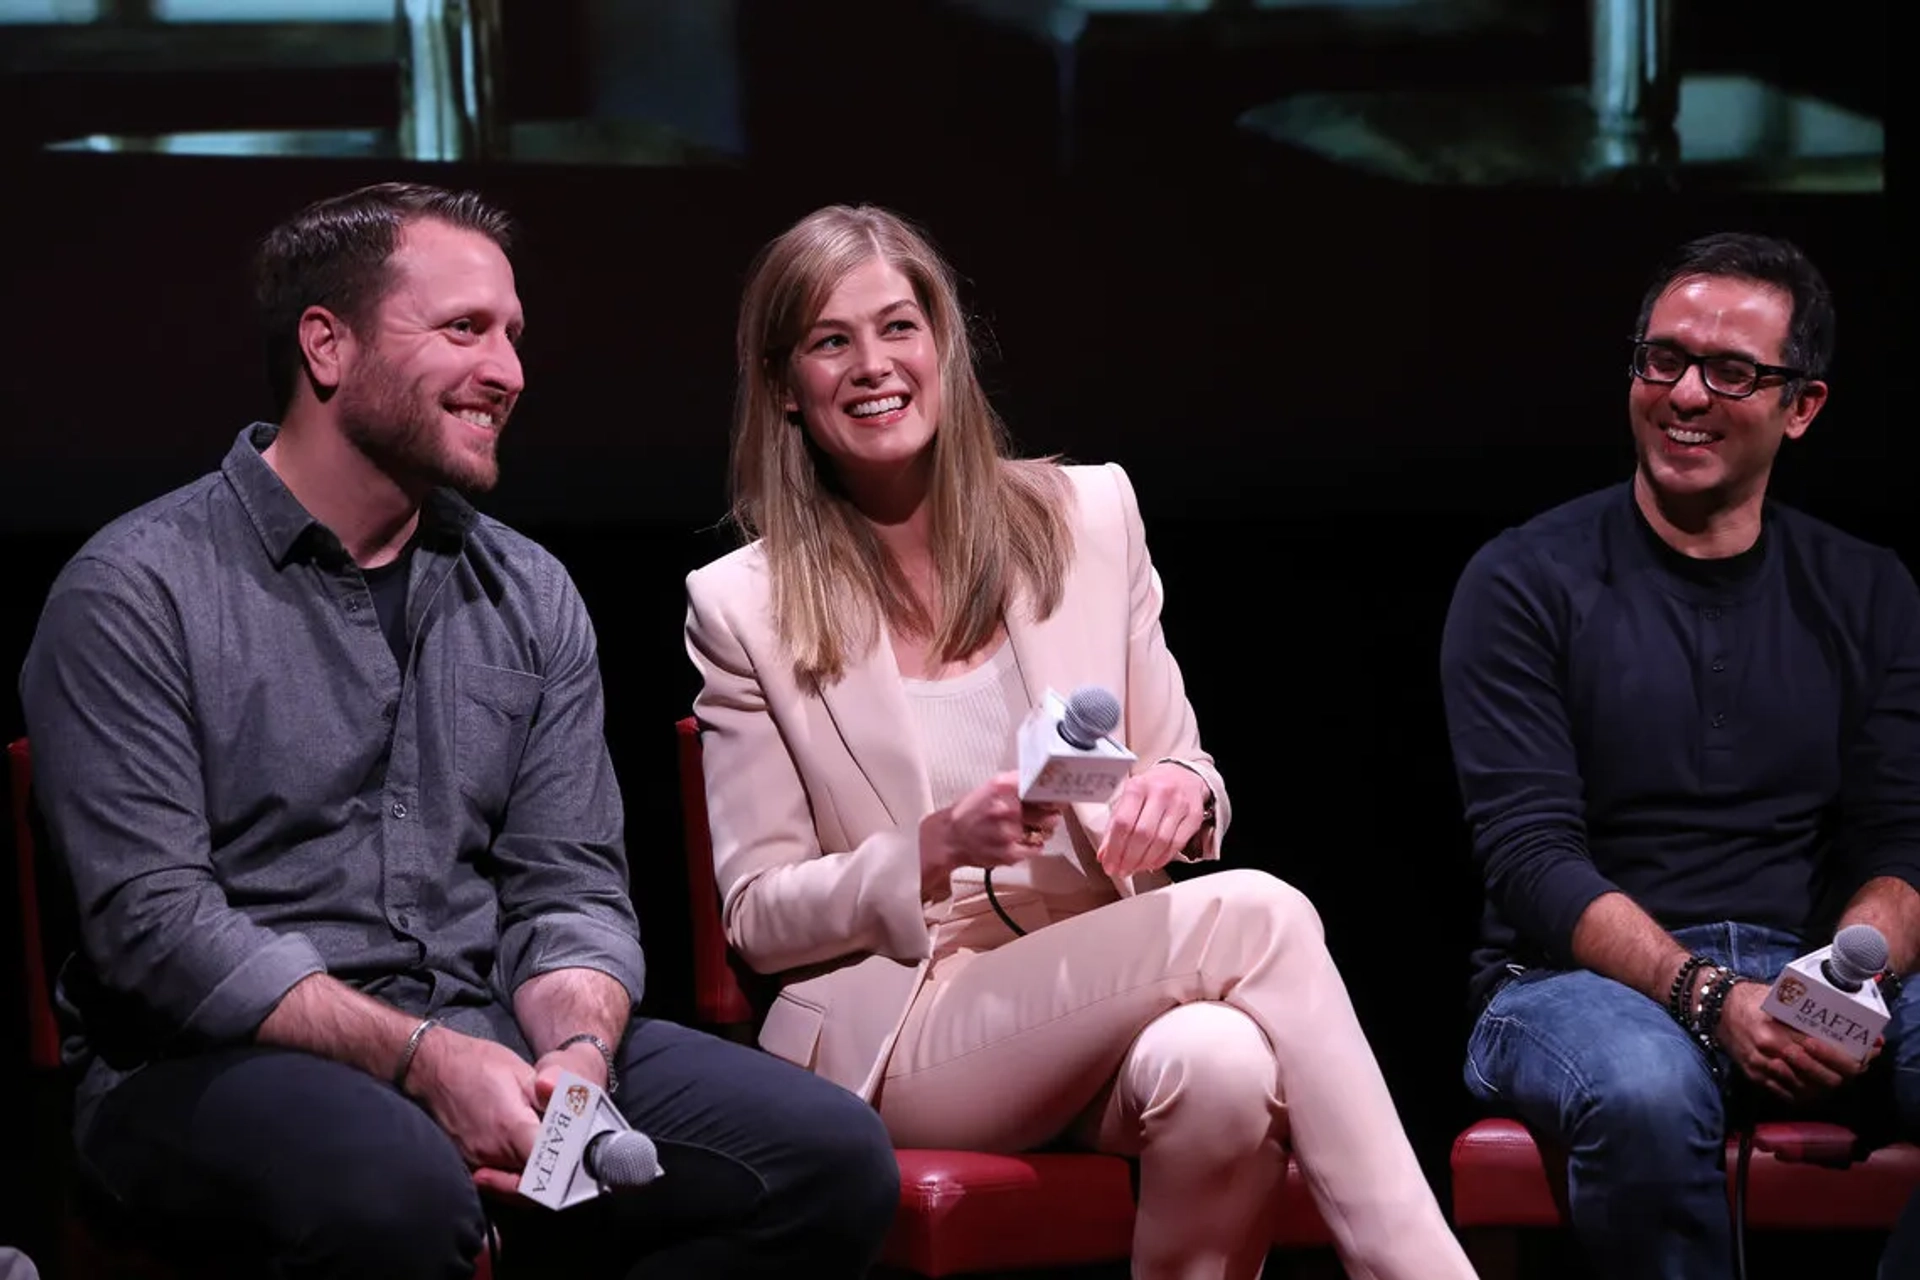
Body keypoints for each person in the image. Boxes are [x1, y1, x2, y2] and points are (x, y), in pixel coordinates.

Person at [18, 182, 898, 1280]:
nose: (511, 372)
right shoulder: (137, 591)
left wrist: (575, 1049)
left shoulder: (527, 594)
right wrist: (423, 1060)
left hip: (492, 1030)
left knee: (830, 1159)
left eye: (514, 335)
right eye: (464, 329)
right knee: (395, 1194)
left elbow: (569, 885)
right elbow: (154, 927)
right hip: (206, 1067)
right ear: (327, 347)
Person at [682, 203, 1477, 1280]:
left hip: (1108, 972)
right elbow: (758, 915)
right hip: (914, 1017)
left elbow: (1182, 763)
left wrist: (1176, 798)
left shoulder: (1088, 515)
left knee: (1225, 1063)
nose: (874, 365)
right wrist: (931, 845)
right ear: (785, 381)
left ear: (944, 343)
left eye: (898, 326)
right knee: (1260, 909)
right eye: (831, 340)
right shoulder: (743, 605)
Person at [1440, 231, 1920, 1279]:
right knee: (1648, 1087)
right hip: (1567, 984)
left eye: (1732, 371)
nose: (1686, 394)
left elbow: (1900, 844)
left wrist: (1840, 985)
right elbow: (1531, 858)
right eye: (1662, 359)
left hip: (1802, 963)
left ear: (1803, 407)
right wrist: (1707, 994)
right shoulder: (1522, 580)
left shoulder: (1869, 588)